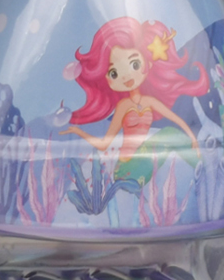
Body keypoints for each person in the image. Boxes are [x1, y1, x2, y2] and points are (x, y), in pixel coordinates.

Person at [66, 17, 206, 174]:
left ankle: (203, 167)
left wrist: (193, 139)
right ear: (106, 79)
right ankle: (203, 167)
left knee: (170, 134)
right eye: (114, 73)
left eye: (135, 64)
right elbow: (104, 144)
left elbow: (176, 119)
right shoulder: (123, 106)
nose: (126, 76)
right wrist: (79, 132)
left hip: (144, 160)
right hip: (126, 167)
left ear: (148, 63)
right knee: (168, 135)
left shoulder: (149, 101)